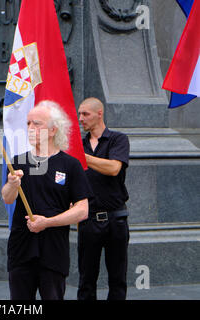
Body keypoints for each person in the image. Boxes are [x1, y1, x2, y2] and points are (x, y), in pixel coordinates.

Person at [2, 100, 93, 300]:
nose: (30, 129)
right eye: (28, 124)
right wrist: (11, 185)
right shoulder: (18, 161)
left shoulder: (70, 165)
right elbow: (8, 199)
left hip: (53, 252)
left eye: (37, 124)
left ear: (53, 130)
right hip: (21, 249)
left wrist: (48, 223)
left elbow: (82, 210)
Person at [77, 97, 130, 300]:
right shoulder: (79, 143)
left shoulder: (118, 139)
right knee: (86, 279)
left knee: (117, 279)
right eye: (79, 114)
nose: (81, 118)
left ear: (100, 114)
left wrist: (81, 156)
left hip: (116, 219)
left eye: (86, 114)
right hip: (88, 219)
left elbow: (114, 168)